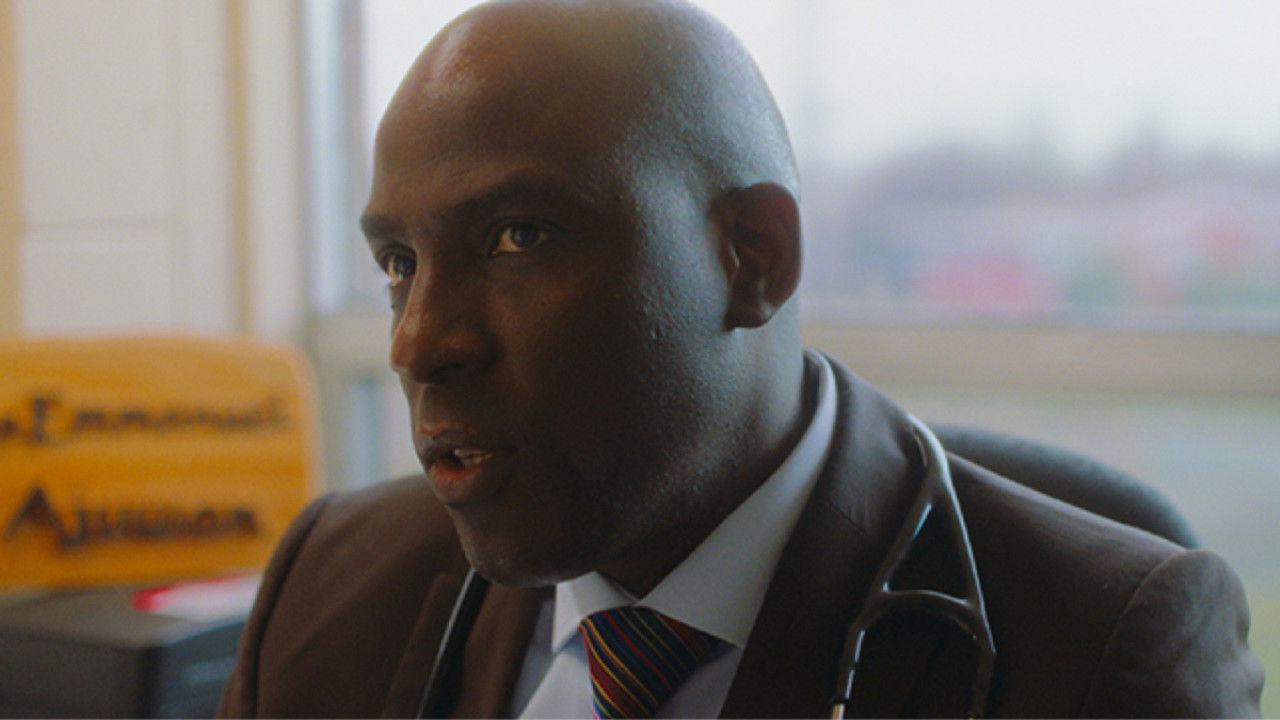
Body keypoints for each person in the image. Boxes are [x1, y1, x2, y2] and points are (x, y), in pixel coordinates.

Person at [217, 0, 1264, 717]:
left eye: (518, 237)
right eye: (398, 263)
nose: (417, 342)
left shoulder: (1101, 656)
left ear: (753, 256)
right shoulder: (331, 586)